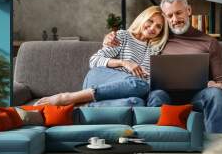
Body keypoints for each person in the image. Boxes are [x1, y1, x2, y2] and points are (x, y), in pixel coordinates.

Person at [103, 0, 222, 133]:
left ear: (188, 10)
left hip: (197, 96)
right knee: (157, 95)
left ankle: (221, 144)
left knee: (216, 94)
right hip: (164, 94)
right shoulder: (157, 37)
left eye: (178, 13)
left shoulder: (210, 42)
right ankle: (157, 140)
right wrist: (110, 38)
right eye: (169, 15)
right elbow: (134, 36)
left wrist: (216, 86)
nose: (175, 19)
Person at [35, 6, 169, 107]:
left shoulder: (154, 49)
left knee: (152, 97)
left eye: (158, 26)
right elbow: (94, 61)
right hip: (103, 78)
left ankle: (90, 106)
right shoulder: (122, 36)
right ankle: (68, 98)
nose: (152, 27)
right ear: (142, 18)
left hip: (134, 89)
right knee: (139, 84)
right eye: (150, 21)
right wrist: (124, 63)